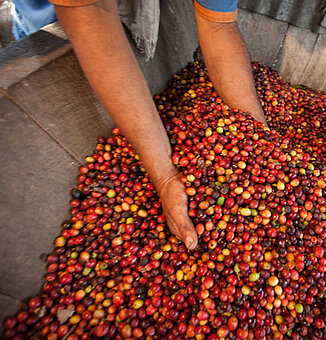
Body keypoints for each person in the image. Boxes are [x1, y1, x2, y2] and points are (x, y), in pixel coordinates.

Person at [13, 0, 268, 250]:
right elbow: (91, 19)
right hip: (68, 17)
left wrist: (260, 139)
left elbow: (219, 25)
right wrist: (165, 175)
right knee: (54, 35)